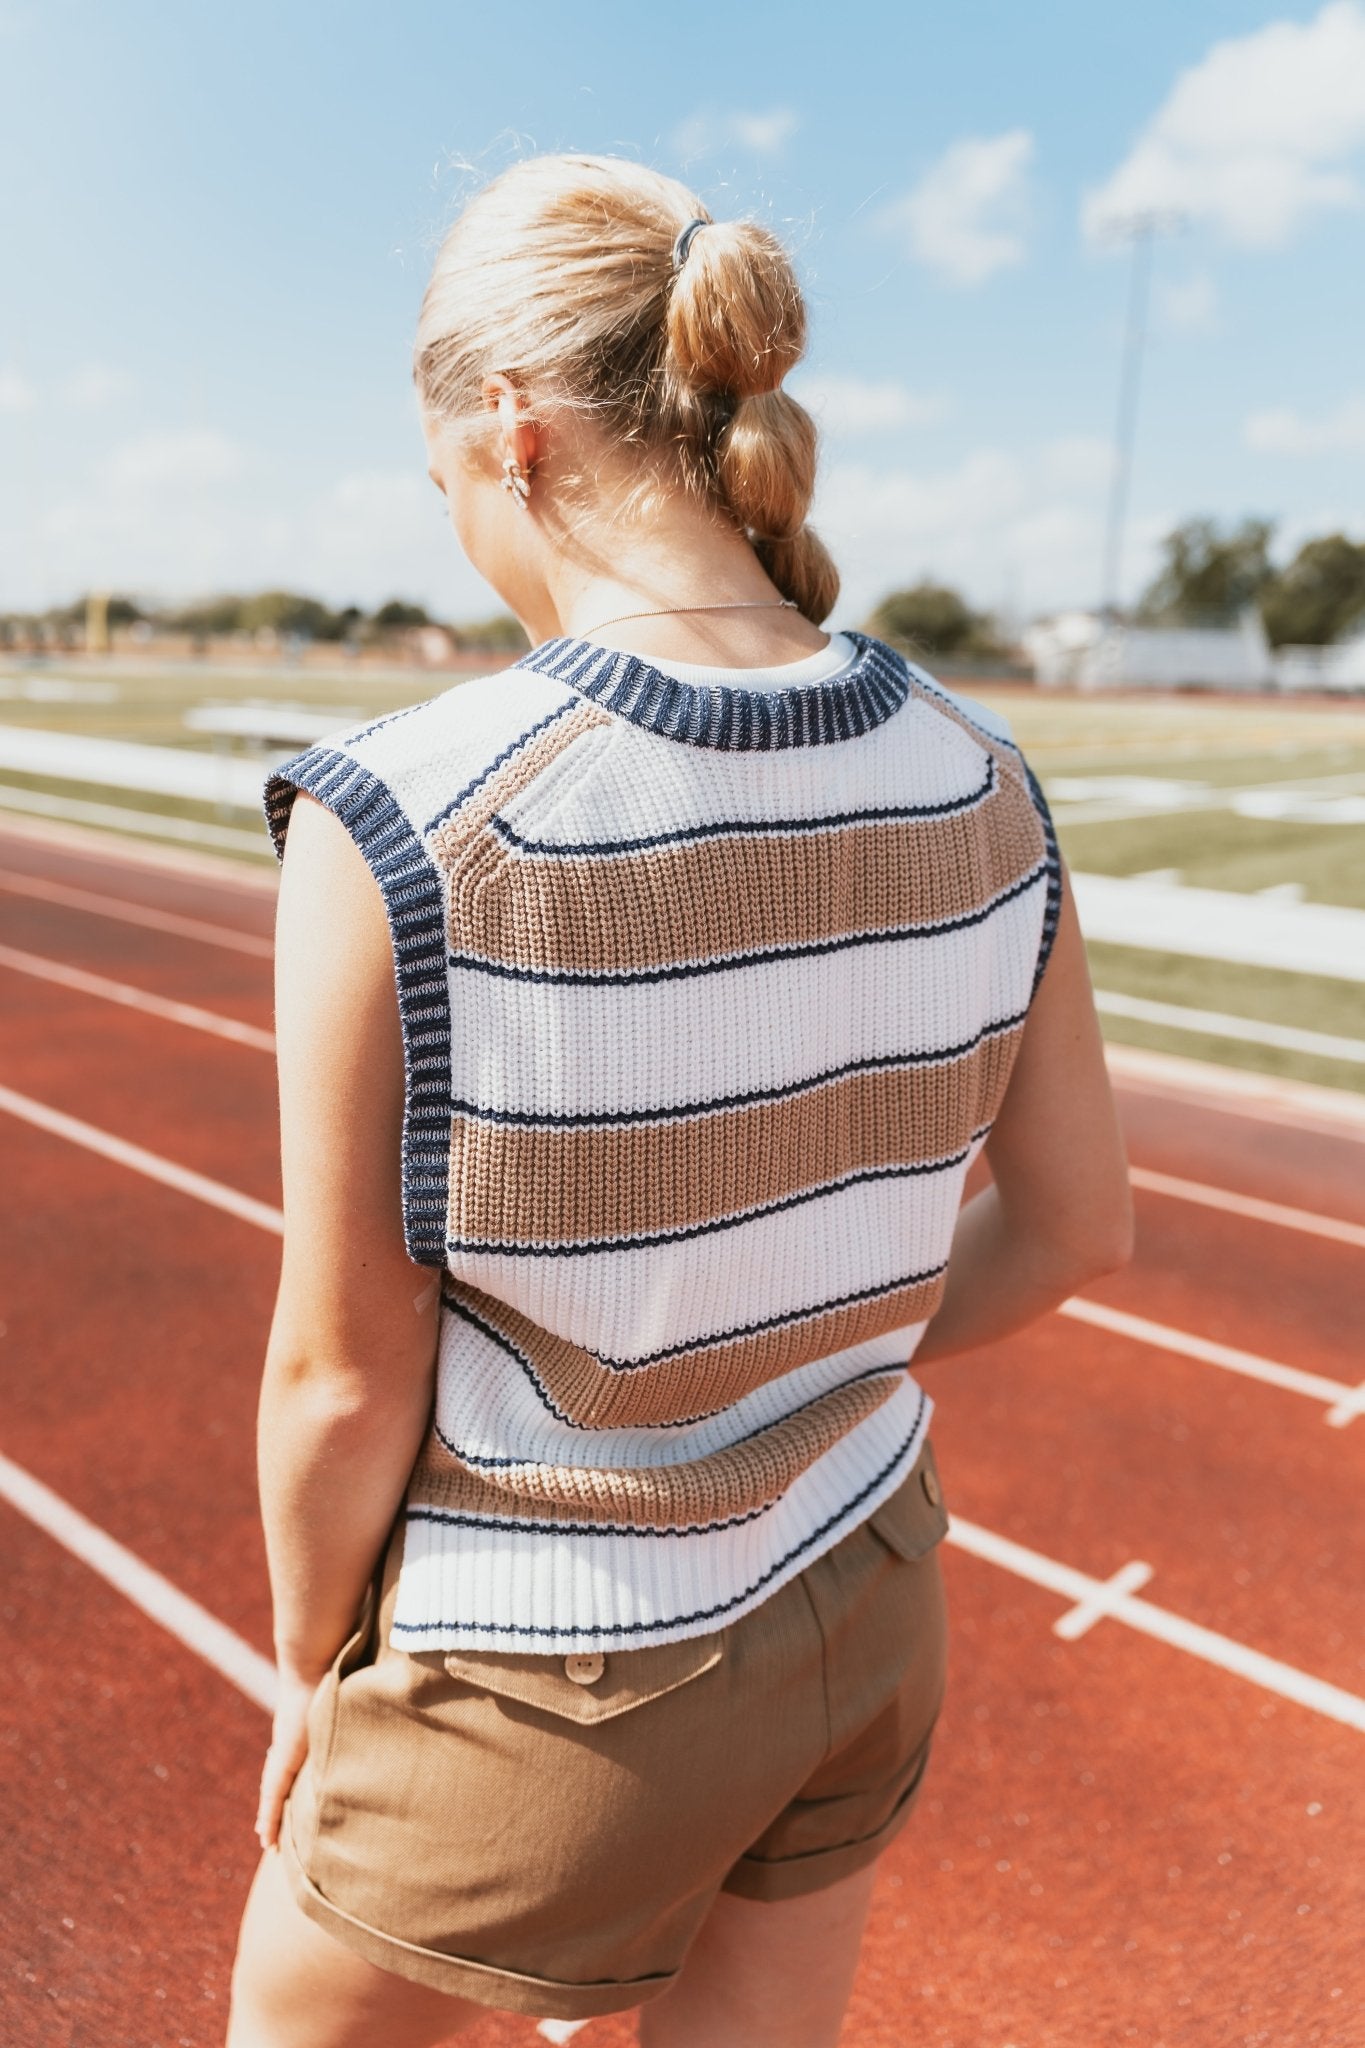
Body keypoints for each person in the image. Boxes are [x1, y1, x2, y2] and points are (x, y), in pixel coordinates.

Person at [226, 152, 1133, 2048]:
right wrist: (801, 1347)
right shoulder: (985, 778)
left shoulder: (408, 810)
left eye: (443, 477)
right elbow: (1072, 1229)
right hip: (866, 1595)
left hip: (545, 1668)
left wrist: (313, 1661)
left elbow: (335, 1377)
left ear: (512, 423)